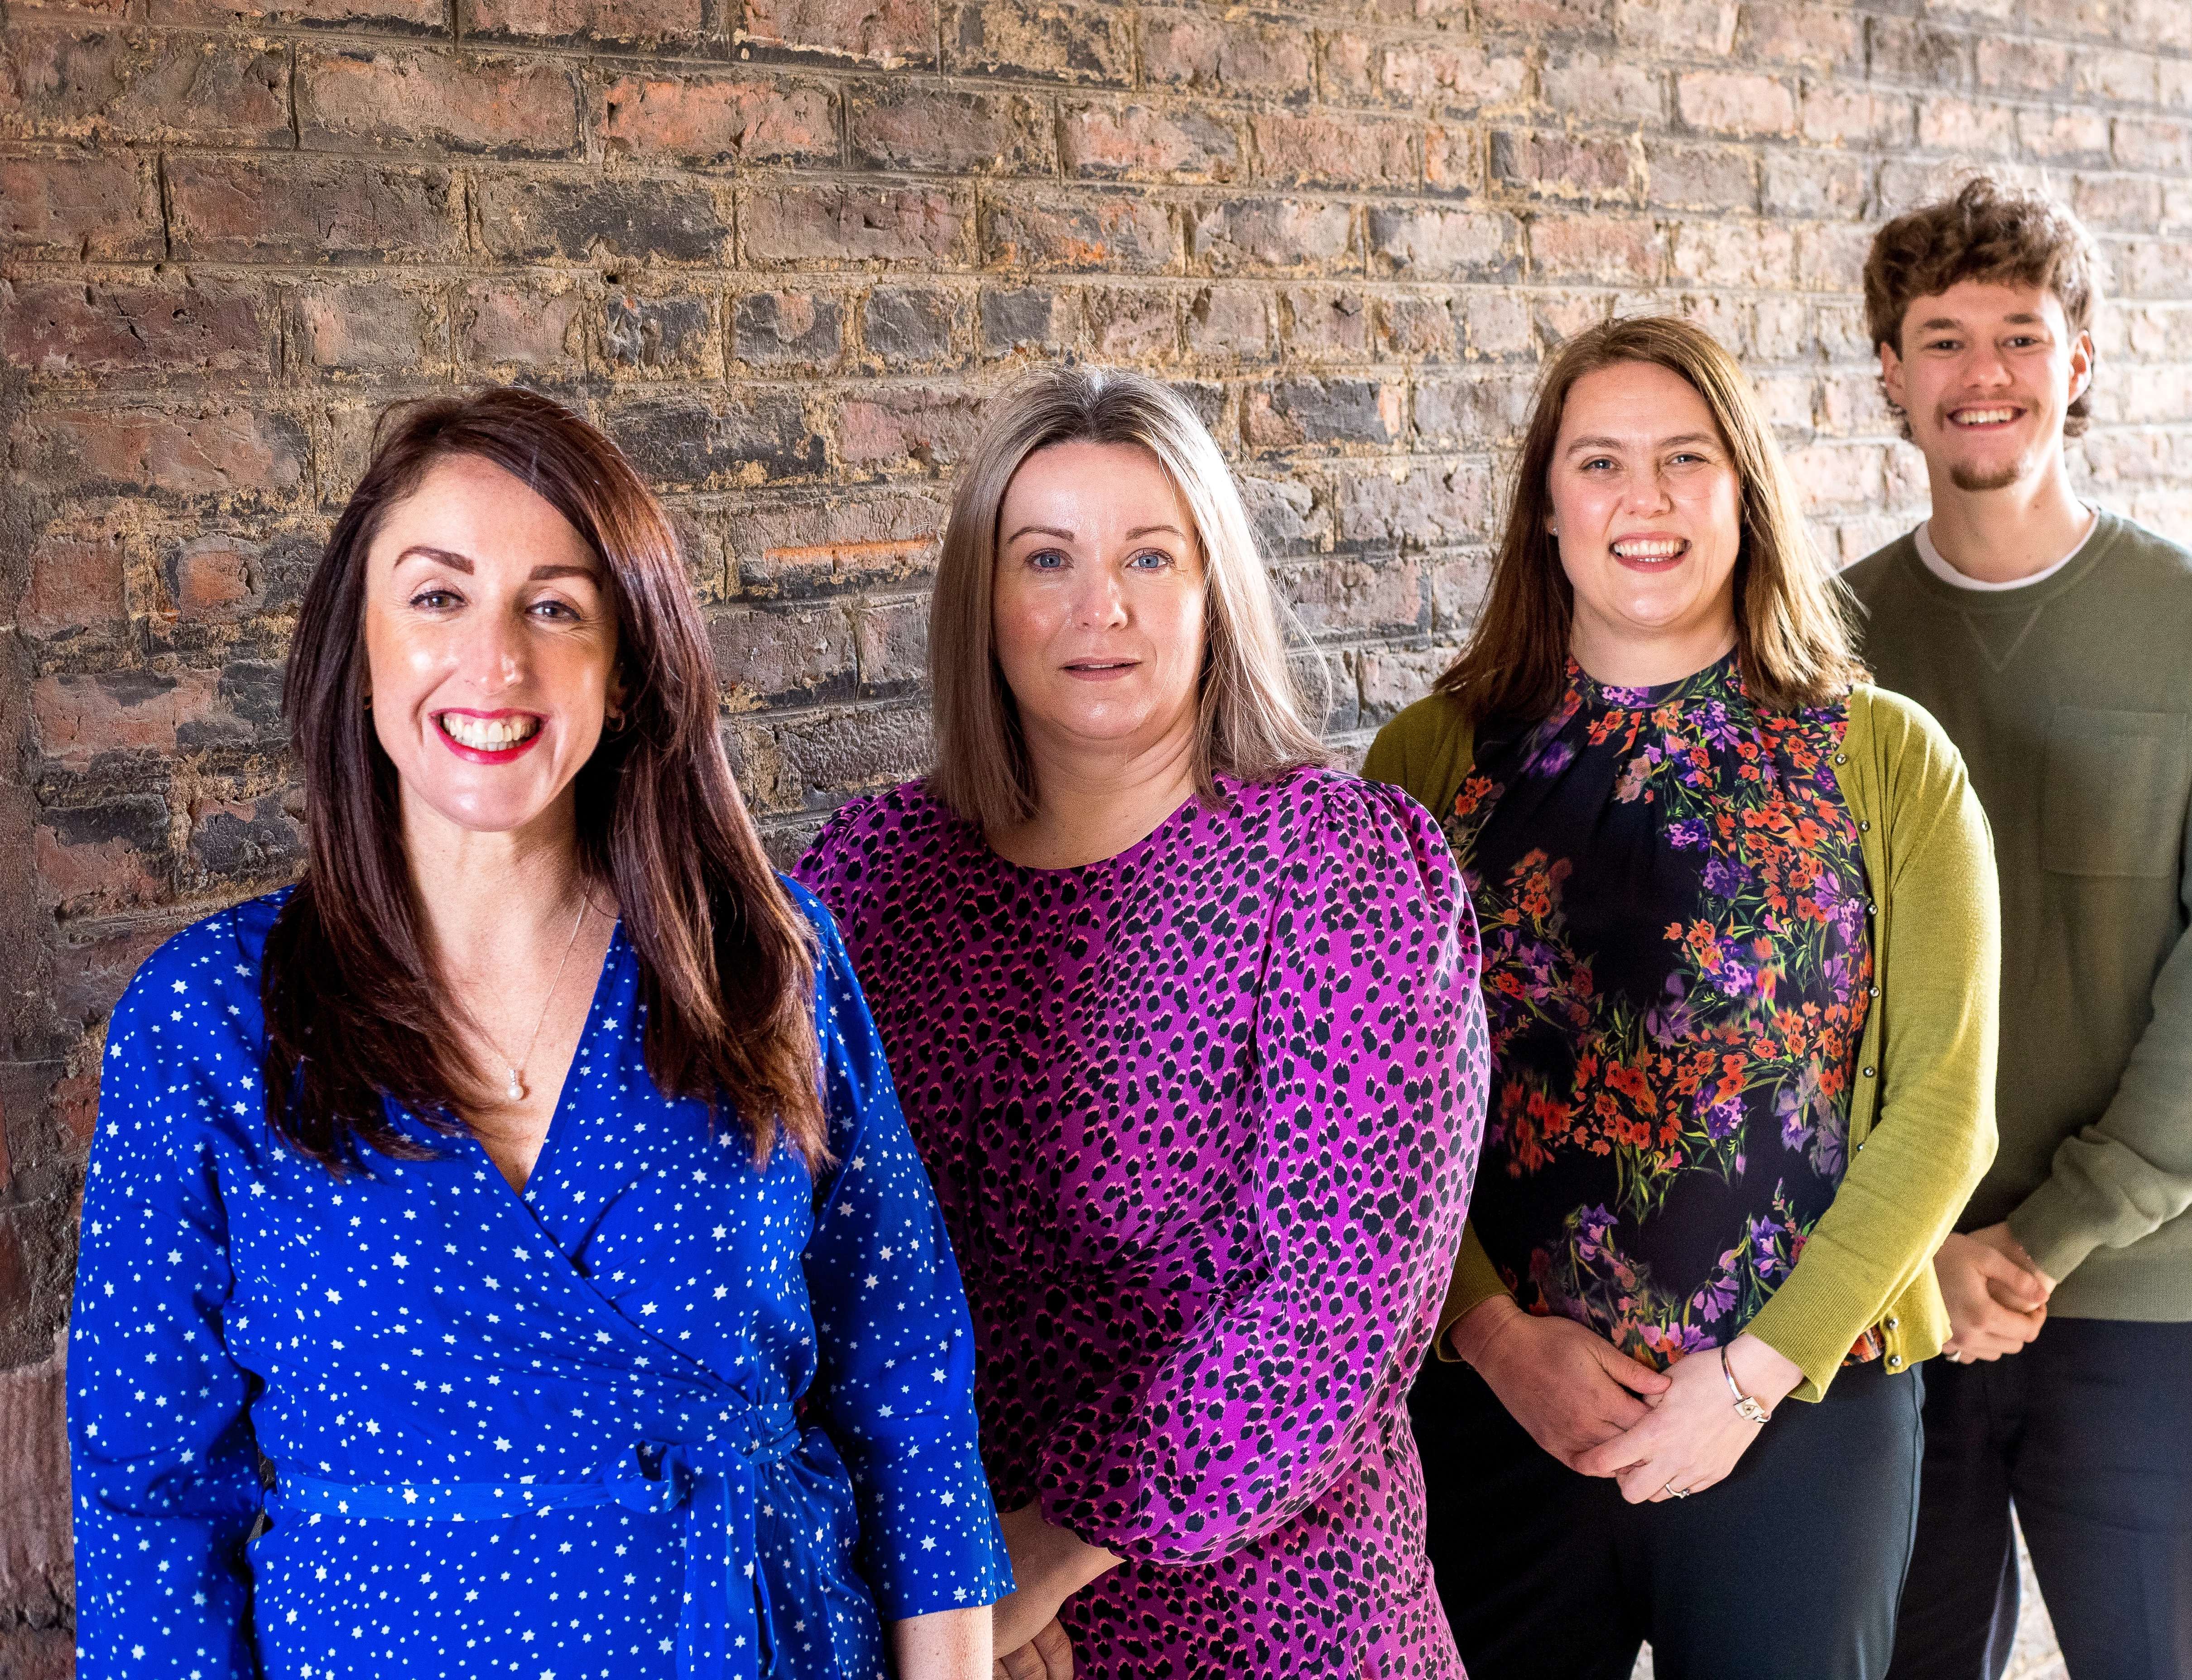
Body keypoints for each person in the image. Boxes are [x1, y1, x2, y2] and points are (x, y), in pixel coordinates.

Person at [67, 388, 1011, 1680]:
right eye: (439, 596)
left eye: (555, 606)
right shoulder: (208, 1018)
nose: (495, 660)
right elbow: (151, 1503)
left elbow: (908, 1391)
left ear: (627, 673)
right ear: (362, 642)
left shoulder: (769, 965)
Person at [795, 366, 1489, 1680]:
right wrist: (932, 1581)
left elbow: (1342, 1305)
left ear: (1215, 588)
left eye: (1149, 556)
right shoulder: (872, 878)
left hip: (1274, 1621)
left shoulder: (1335, 869)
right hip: (948, 1626)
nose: (1097, 606)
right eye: (1044, 556)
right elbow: (795, 1263)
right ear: (979, 603)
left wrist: (1034, 1557)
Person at [1364, 314, 2003, 1680]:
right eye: (1598, 463)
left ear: (1745, 492)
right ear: (1546, 509)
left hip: (1796, 1411)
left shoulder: (1887, 760)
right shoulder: (1428, 758)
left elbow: (1944, 1115)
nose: (1641, 499)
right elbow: (1372, 1105)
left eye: (1683, 458)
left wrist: (1750, 1375)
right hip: (1501, 1408)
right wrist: (1492, 1334)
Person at [1846, 177, 2192, 1680]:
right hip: (1893, 1298)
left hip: (2147, 1296)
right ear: (1890, 379)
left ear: (2079, 364)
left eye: (2021, 335)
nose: (1982, 372)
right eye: (1942, 338)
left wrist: (2038, 1239)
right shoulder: (1830, 647)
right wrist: (1917, 1255)